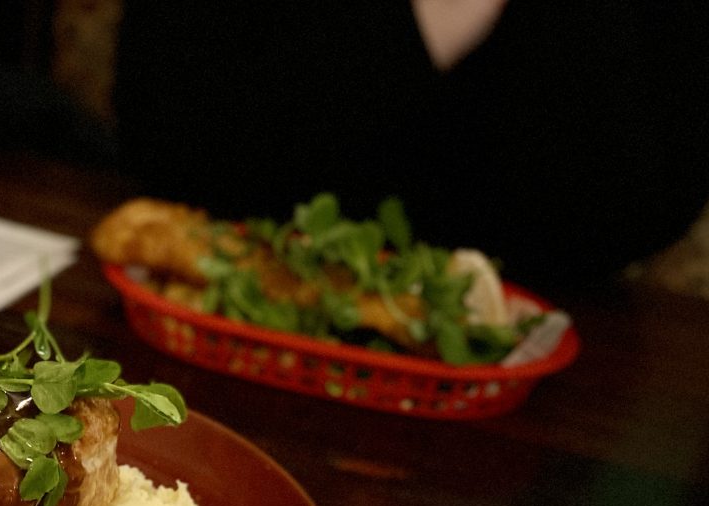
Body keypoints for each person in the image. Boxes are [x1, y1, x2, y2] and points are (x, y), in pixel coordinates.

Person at [110, 1, 709, 291]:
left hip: (536, 386)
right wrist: (419, 27)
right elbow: (162, 133)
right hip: (211, 322)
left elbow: (633, 214)